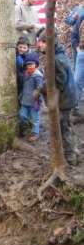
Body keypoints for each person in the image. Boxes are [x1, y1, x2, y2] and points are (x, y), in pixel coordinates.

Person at [37, 32, 80, 166]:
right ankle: (74, 152)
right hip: (69, 97)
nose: (40, 45)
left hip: (65, 99)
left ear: (50, 43)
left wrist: (41, 88)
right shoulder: (59, 55)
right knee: (67, 126)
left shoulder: (56, 59)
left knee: (64, 127)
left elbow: (58, 82)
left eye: (43, 42)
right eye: (40, 41)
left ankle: (70, 157)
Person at [18, 53, 43, 142]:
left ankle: (36, 133)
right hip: (25, 100)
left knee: (35, 118)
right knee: (22, 115)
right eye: (28, 64)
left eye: (31, 64)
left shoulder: (37, 76)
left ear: (36, 65)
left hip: (33, 101)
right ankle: (29, 127)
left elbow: (40, 88)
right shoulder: (26, 74)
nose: (30, 66)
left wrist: (37, 99)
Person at [64, 0, 84, 67]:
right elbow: (67, 20)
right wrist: (73, 18)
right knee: (77, 64)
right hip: (76, 40)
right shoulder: (77, 9)